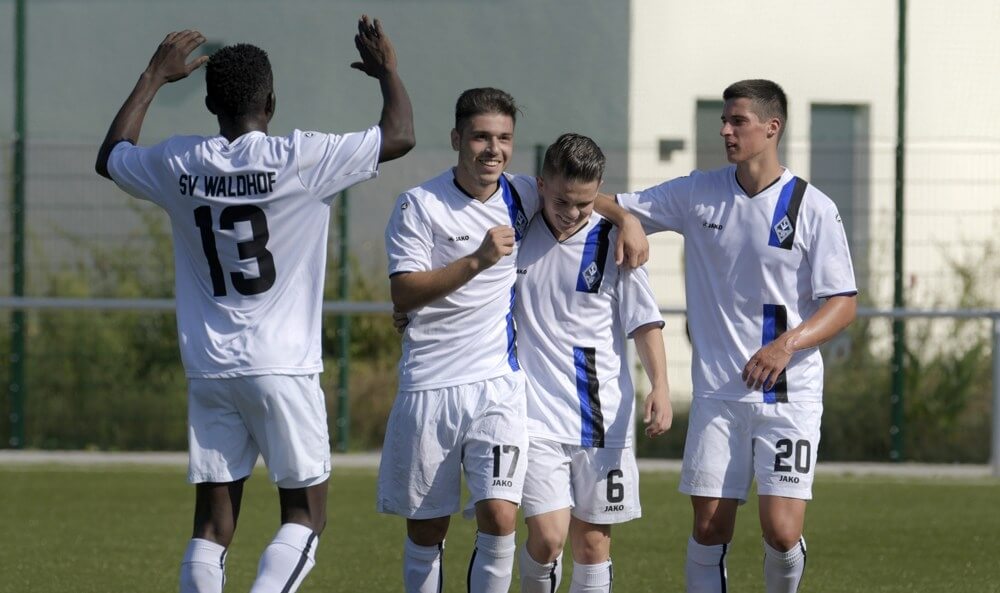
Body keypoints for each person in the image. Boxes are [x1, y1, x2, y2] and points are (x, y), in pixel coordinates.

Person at [94, 17, 414, 593]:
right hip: (284, 367)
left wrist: (151, 78)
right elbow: (399, 135)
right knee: (305, 517)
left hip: (211, 367)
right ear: (271, 100)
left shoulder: (180, 162)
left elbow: (112, 155)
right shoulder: (301, 157)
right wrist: (387, 71)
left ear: (211, 102)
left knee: (213, 525)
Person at [380, 89, 646, 593]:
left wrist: (626, 218)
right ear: (458, 138)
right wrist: (476, 261)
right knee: (426, 530)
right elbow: (402, 290)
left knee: (502, 516)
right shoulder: (420, 204)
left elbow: (579, 194)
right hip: (429, 385)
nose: (492, 149)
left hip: (499, 386)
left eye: (503, 138)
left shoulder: (521, 192)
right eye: (481, 136)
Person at [615, 79, 858, 593]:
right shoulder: (698, 191)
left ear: (773, 128)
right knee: (708, 527)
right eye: (723, 121)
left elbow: (843, 304)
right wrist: (625, 220)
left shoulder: (811, 207)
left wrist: (786, 344)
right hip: (718, 394)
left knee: (781, 530)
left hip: (787, 392)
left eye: (737, 121)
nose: (725, 130)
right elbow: (606, 202)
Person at [514, 133, 673, 593]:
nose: (572, 212)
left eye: (586, 203)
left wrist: (660, 386)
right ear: (541, 184)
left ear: (599, 191)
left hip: (602, 417)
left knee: (593, 545)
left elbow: (645, 323)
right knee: (547, 538)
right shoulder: (516, 227)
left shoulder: (616, 243)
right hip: (532, 414)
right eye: (563, 200)